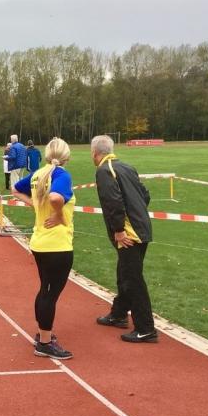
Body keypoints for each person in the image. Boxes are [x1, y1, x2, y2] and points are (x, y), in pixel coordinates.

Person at [11, 138, 75, 360]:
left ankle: (42, 334)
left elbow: (14, 189)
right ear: (67, 156)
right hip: (57, 245)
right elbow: (56, 197)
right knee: (50, 293)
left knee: (45, 289)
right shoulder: (62, 175)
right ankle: (45, 343)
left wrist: (35, 205)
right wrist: (58, 214)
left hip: (40, 243)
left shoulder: (38, 174)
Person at [91, 135, 157, 343]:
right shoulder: (127, 167)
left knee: (133, 279)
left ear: (95, 153)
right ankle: (119, 314)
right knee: (124, 274)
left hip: (129, 233)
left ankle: (146, 328)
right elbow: (145, 195)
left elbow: (113, 201)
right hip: (142, 228)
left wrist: (119, 230)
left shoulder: (104, 170)